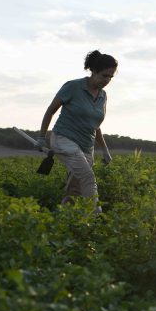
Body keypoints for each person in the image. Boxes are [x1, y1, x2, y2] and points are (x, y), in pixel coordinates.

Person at [38, 50, 117, 211]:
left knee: (76, 188)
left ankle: (64, 219)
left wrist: (105, 151)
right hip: (63, 139)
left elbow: (95, 125)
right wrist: (41, 137)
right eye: (104, 75)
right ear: (94, 71)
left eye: (111, 77)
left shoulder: (103, 96)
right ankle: (96, 214)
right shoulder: (73, 87)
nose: (107, 80)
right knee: (87, 177)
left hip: (86, 146)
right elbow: (50, 110)